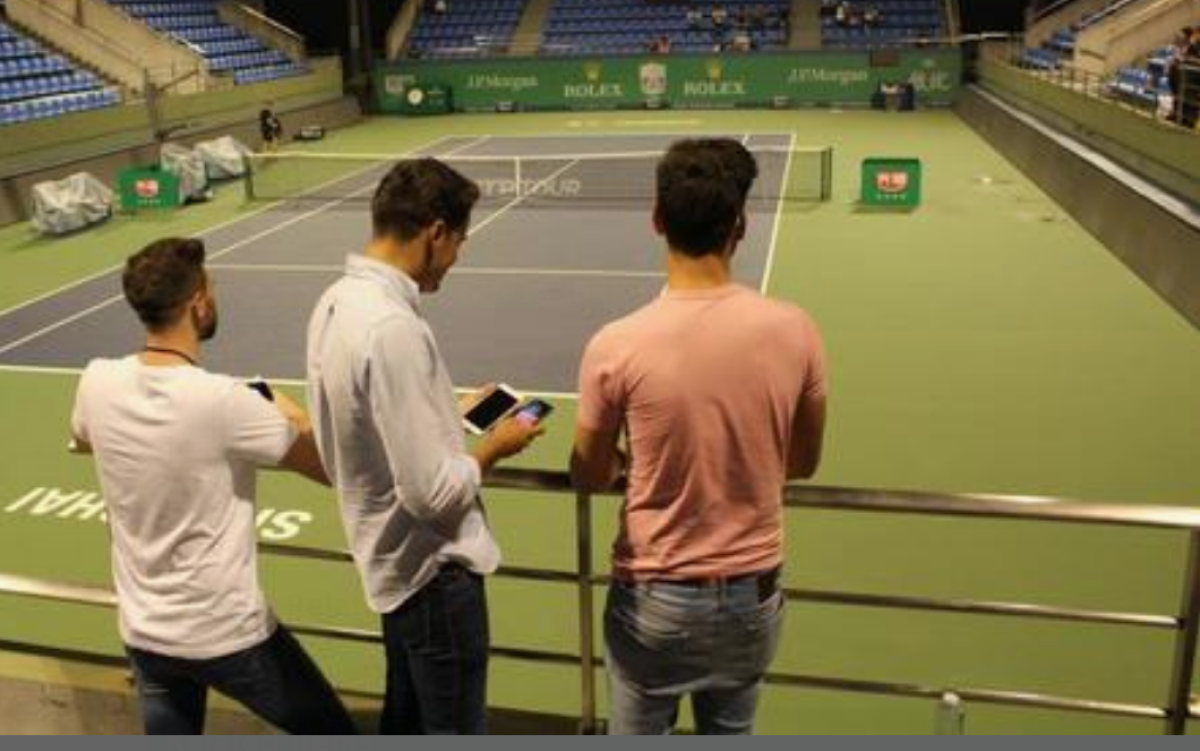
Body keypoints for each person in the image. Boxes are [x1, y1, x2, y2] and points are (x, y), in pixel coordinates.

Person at [572, 139, 828, 735]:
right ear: (741, 224)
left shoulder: (615, 344)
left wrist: (631, 467)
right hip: (751, 601)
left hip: (653, 604)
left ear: (657, 220)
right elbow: (804, 461)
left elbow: (587, 472)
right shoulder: (797, 330)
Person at [70, 238, 354, 736]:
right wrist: (290, 414)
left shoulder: (95, 381)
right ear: (198, 302)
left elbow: (85, 437)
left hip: (146, 634)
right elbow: (334, 469)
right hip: (229, 636)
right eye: (212, 288)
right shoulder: (226, 402)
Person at [306, 159, 544, 735]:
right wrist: (495, 445)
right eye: (460, 240)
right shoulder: (393, 329)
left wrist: (447, 412)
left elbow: (362, 424)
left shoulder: (335, 301)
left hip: (395, 572)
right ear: (436, 232)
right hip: (435, 578)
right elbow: (433, 494)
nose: (458, 256)